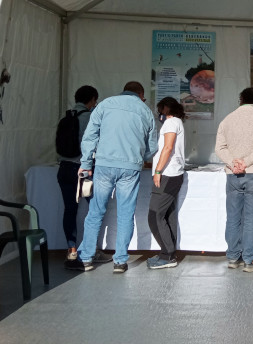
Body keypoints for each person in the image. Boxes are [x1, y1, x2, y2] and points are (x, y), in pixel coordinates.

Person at [65, 81, 158, 274]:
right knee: (126, 213)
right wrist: (140, 158)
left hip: (104, 164)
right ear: (140, 95)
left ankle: (86, 258)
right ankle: (120, 261)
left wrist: (85, 163)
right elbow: (152, 147)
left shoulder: (105, 104)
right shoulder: (145, 110)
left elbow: (90, 137)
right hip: (130, 167)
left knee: (95, 211)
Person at [215, 87, 253, 272]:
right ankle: (250, 259)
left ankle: (233, 257)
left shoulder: (227, 119)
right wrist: (247, 162)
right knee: (251, 218)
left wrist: (234, 163)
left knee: (233, 217)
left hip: (233, 174)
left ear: (241, 99)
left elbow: (219, 147)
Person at [56, 85, 100, 262]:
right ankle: (90, 250)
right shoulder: (91, 117)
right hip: (84, 171)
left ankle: (71, 249)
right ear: (91, 100)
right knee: (95, 209)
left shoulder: (66, 117)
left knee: (70, 210)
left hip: (64, 168)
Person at [146, 96, 186, 269]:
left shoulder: (170, 123)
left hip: (167, 175)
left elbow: (168, 148)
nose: (159, 114)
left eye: (160, 110)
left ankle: (167, 255)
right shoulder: (177, 122)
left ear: (165, 109)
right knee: (167, 214)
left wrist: (157, 171)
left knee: (154, 216)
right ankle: (168, 253)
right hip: (172, 174)